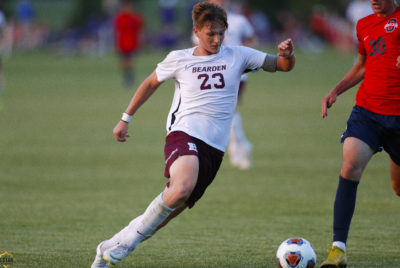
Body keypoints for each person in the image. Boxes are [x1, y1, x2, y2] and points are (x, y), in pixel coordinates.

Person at [91, 2, 295, 267]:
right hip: (184, 133)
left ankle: (111, 246)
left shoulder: (239, 55)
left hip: (215, 149)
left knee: (173, 206)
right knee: (182, 187)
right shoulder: (179, 58)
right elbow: (151, 82)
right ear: (196, 31)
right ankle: (125, 246)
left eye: (221, 33)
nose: (217, 39)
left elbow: (281, 65)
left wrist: (287, 54)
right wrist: (125, 119)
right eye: (210, 33)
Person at [320, 0, 400, 267]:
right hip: (368, 112)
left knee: (398, 187)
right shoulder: (364, 24)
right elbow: (364, 64)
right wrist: (336, 90)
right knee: (350, 165)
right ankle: (338, 249)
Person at [192, 0, 256, 170]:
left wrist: (246, 58)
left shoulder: (239, 20)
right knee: (221, 112)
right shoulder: (202, 23)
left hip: (236, 72)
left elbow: (250, 39)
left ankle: (238, 149)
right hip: (213, 73)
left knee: (230, 110)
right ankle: (241, 146)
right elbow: (197, 48)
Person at [113, 0, 143, 87]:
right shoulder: (120, 17)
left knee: (130, 62)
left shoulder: (135, 18)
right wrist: (117, 44)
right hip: (123, 43)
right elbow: (117, 32)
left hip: (132, 43)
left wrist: (139, 42)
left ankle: (129, 79)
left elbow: (139, 31)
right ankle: (127, 78)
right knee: (125, 62)